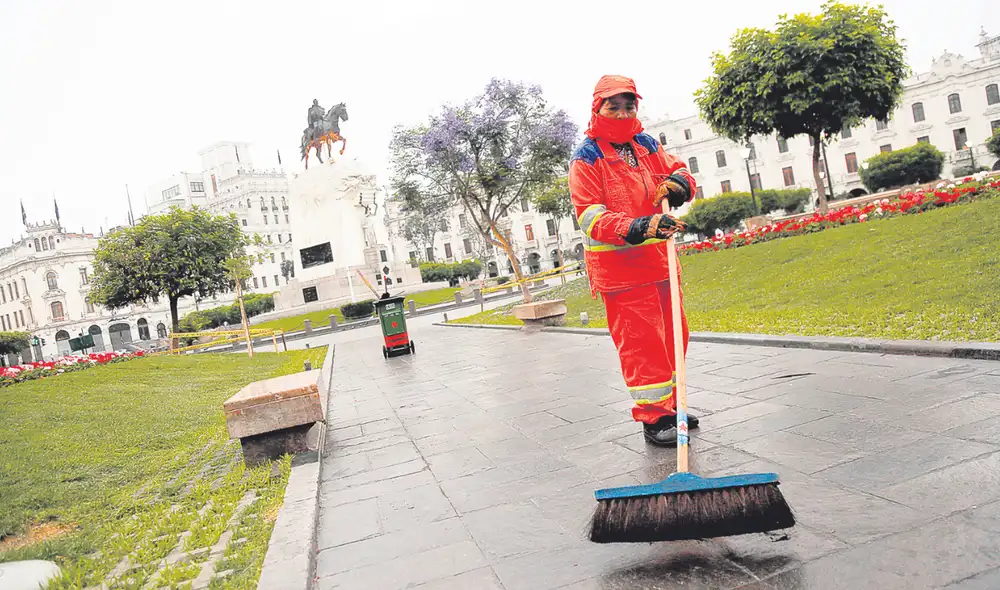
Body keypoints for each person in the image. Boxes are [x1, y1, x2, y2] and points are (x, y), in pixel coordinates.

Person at [568, 75, 699, 446]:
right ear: (598, 108)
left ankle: (673, 406)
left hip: (660, 263)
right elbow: (590, 217)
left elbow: (679, 169)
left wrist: (678, 185)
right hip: (622, 273)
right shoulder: (587, 157)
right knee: (642, 346)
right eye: (614, 106)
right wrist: (641, 226)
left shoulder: (645, 144)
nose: (623, 113)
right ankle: (654, 418)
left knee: (675, 338)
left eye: (629, 105)